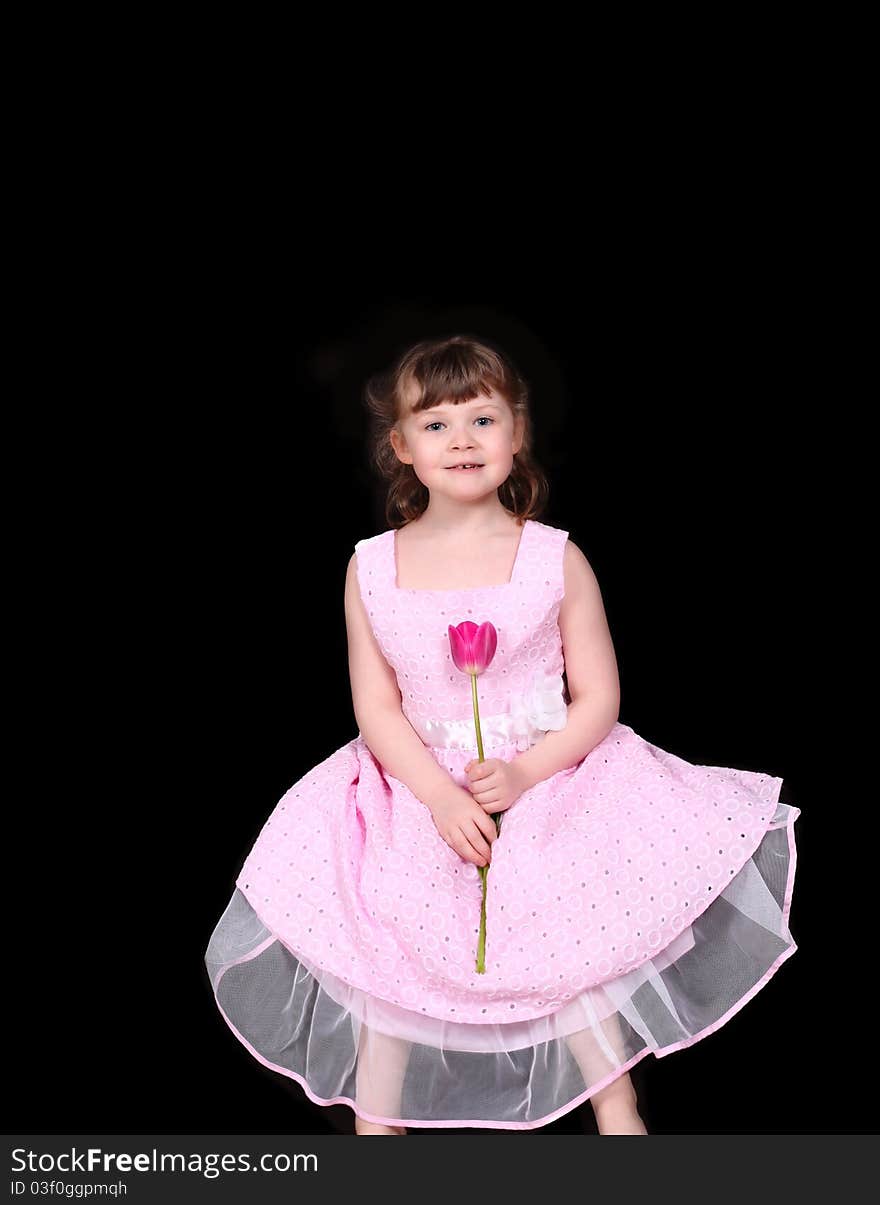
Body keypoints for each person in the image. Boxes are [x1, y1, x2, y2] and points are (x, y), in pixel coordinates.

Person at [204, 334, 800, 1136]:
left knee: (571, 933)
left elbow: (597, 698)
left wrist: (524, 776)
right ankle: (378, 1122)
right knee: (386, 939)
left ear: (516, 433)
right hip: (417, 785)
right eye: (438, 424)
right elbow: (377, 707)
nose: (462, 440)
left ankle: (616, 1108)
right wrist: (438, 795)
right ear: (402, 447)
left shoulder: (554, 558)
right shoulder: (371, 568)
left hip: (549, 779)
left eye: (483, 418)